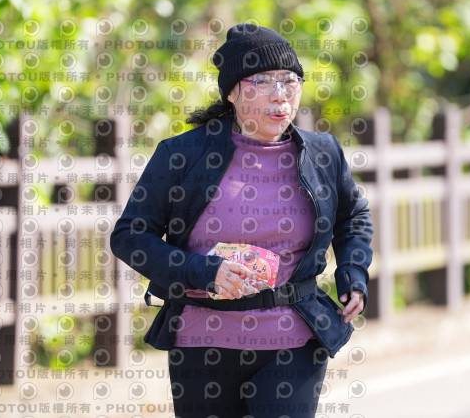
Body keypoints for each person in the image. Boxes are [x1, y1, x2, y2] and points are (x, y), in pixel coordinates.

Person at [110, 23, 373, 418]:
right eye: (262, 81)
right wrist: (202, 271)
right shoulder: (183, 154)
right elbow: (130, 236)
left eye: (290, 80)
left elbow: (353, 216)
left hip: (293, 337)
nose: (280, 95)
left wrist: (353, 273)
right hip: (202, 341)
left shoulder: (322, 153)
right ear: (232, 92)